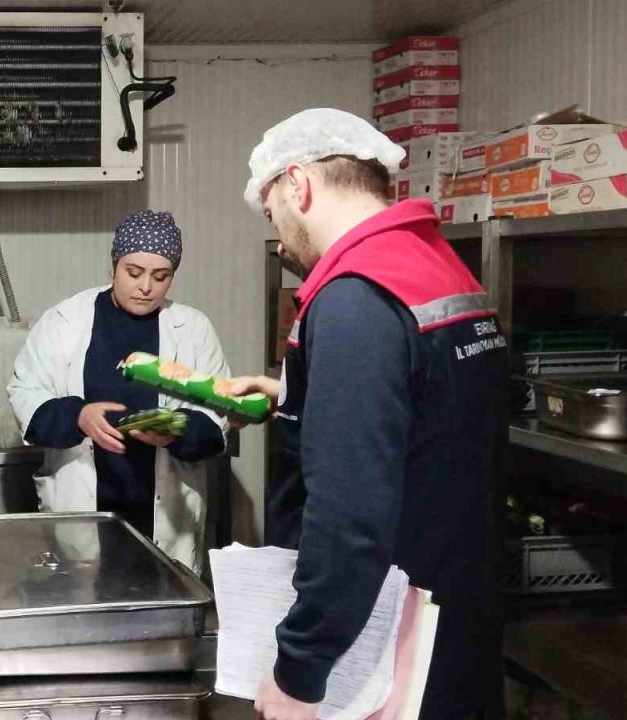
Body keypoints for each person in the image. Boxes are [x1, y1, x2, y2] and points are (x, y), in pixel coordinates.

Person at [223, 109, 507, 720]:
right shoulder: (435, 266)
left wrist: (300, 668)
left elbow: (348, 514)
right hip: (458, 609)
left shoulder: (355, 296)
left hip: (387, 638)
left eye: (274, 213)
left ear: (298, 184)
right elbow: (427, 418)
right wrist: (294, 396)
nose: (280, 239)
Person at [8, 210, 231, 571]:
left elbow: (217, 416)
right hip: (82, 510)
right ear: (112, 268)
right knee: (83, 611)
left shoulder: (192, 328)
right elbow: (24, 392)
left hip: (164, 517)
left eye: (161, 277)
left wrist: (175, 428)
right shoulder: (65, 321)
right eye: (133, 272)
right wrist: (77, 415)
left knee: (163, 611)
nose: (146, 287)